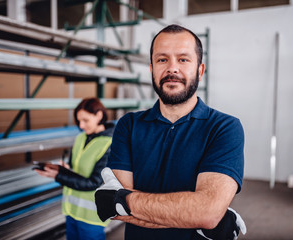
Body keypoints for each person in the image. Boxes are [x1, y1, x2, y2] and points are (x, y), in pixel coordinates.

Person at [95, 24, 246, 240]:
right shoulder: (128, 125)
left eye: (183, 59)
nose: (172, 68)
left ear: (200, 70)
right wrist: (196, 216)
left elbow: (207, 213)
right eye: (162, 59)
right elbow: (113, 210)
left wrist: (124, 201)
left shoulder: (224, 127)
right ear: (152, 69)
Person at [34, 97, 114, 240]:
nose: (81, 125)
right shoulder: (80, 138)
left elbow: (94, 182)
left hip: (92, 217)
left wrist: (58, 176)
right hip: (71, 211)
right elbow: (75, 169)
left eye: (85, 120)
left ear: (99, 116)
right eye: (79, 121)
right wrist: (64, 169)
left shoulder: (110, 144)